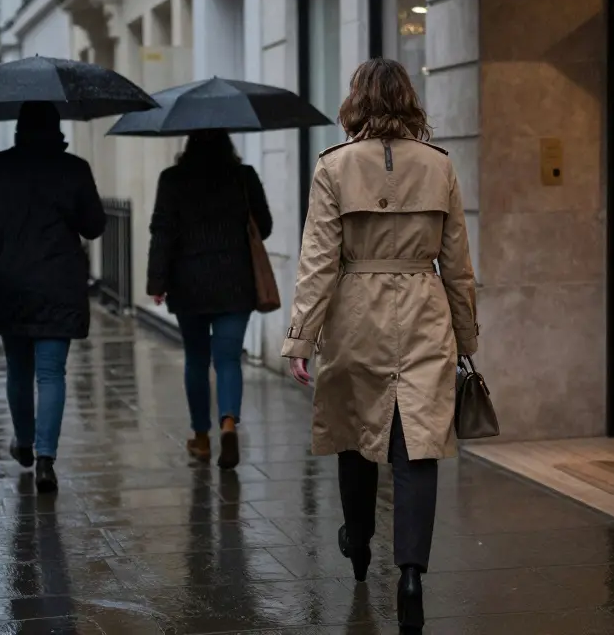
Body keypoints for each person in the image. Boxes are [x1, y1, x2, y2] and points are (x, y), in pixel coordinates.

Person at [282, 58, 478, 635]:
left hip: (356, 312)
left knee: (355, 430)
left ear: (356, 102)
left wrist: (301, 338)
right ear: (409, 100)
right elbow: (459, 266)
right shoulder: (438, 166)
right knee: (417, 442)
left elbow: (318, 261)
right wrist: (466, 338)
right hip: (424, 308)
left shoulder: (333, 167)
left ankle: (361, 542)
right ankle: (412, 571)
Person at [0, 102, 105, 493]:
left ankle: (24, 442)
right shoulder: (74, 168)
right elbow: (94, 226)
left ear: (19, 127)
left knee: (18, 369)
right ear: (57, 128)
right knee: (51, 372)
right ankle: (46, 459)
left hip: (11, 282)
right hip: (59, 282)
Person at [146, 129, 272, 469]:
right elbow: (266, 225)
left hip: (189, 284)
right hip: (235, 282)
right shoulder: (243, 176)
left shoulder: (172, 179)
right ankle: (228, 422)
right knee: (228, 359)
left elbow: (162, 231)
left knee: (197, 360)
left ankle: (201, 439)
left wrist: (156, 281)